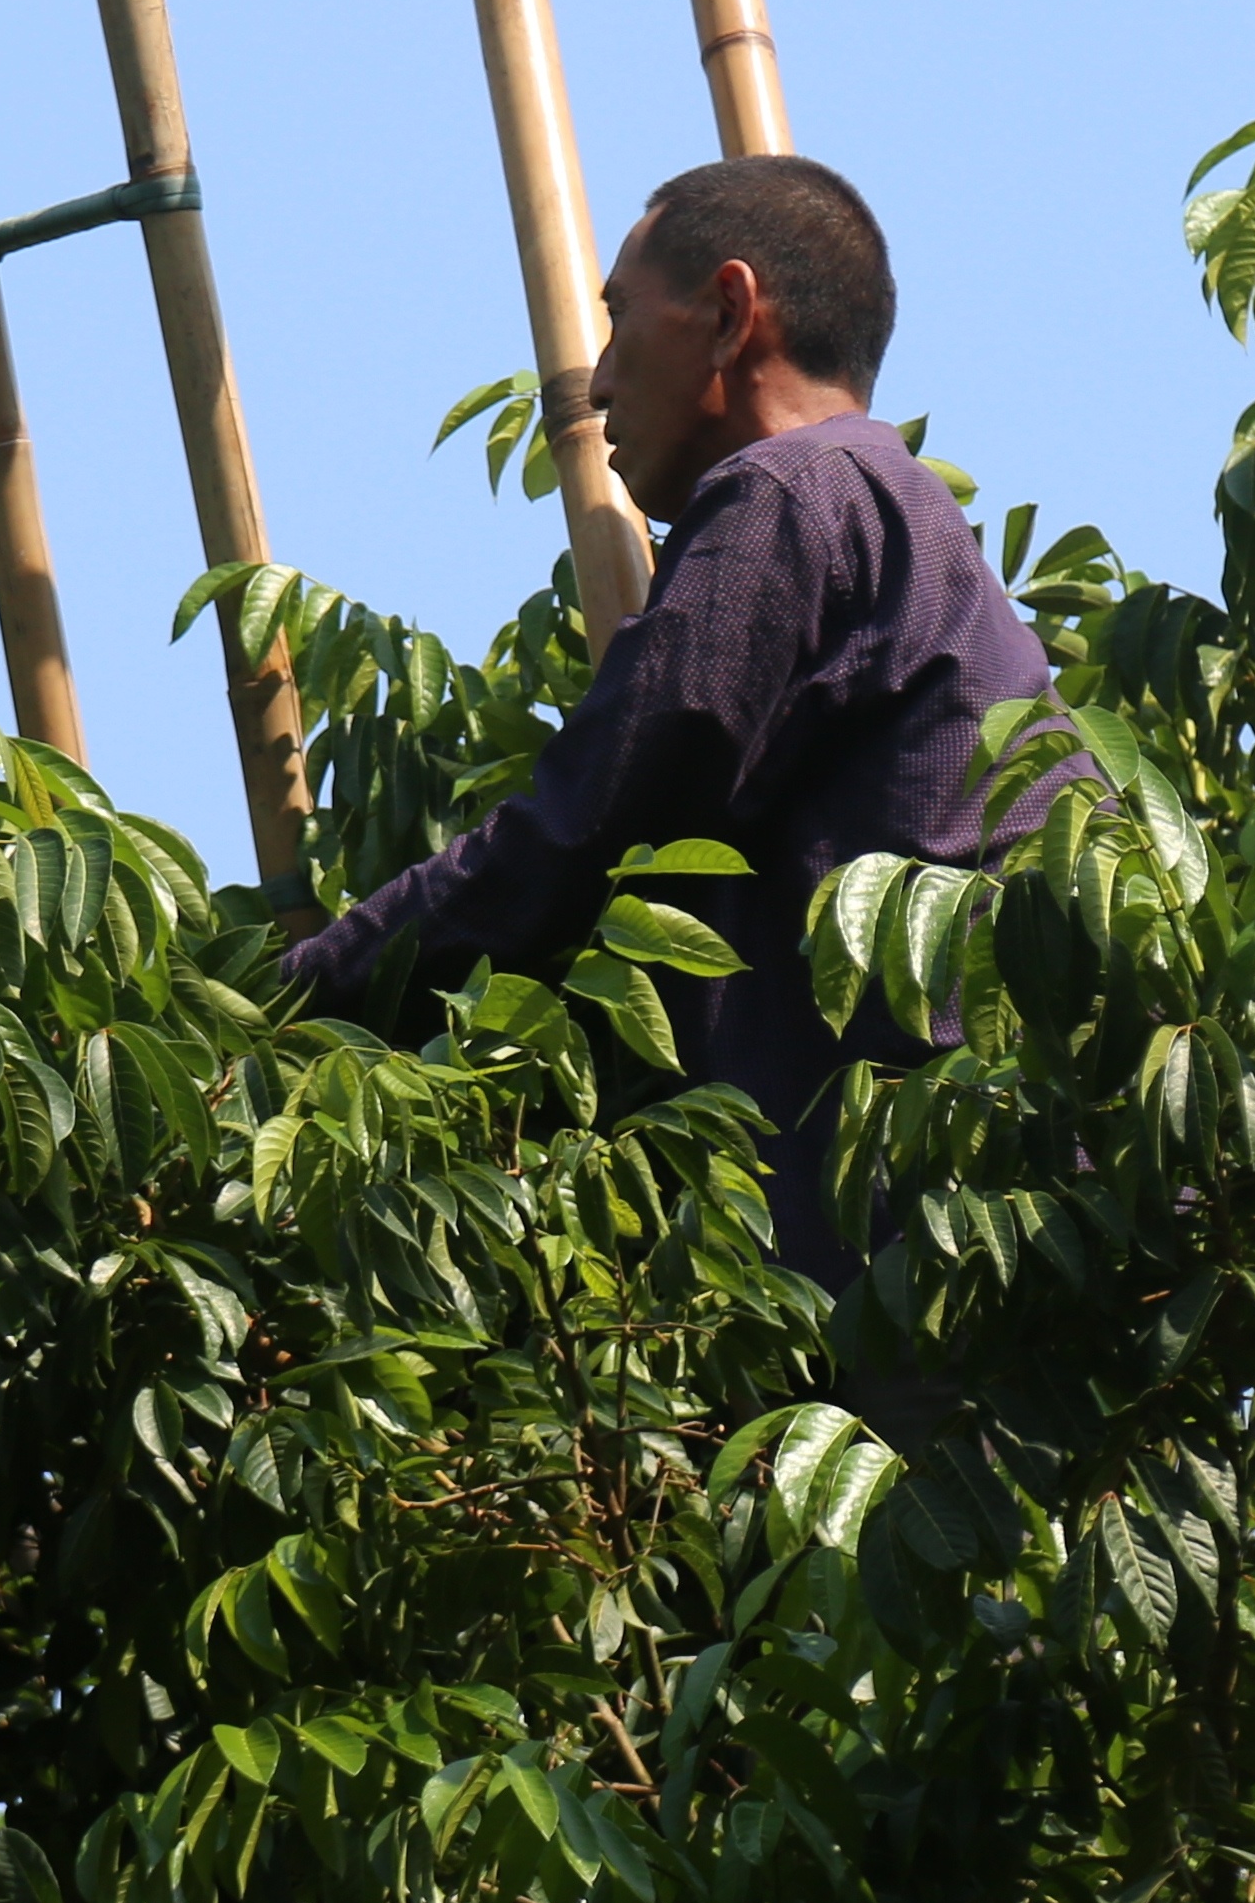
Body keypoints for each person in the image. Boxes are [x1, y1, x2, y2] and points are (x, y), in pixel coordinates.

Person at [281, 154, 1057, 1279]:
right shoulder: (900, 512)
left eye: (617, 319)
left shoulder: (788, 494)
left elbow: (586, 824)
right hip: (1025, 1191)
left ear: (732, 312)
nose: (594, 384)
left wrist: (293, 998)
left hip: (933, 1223)